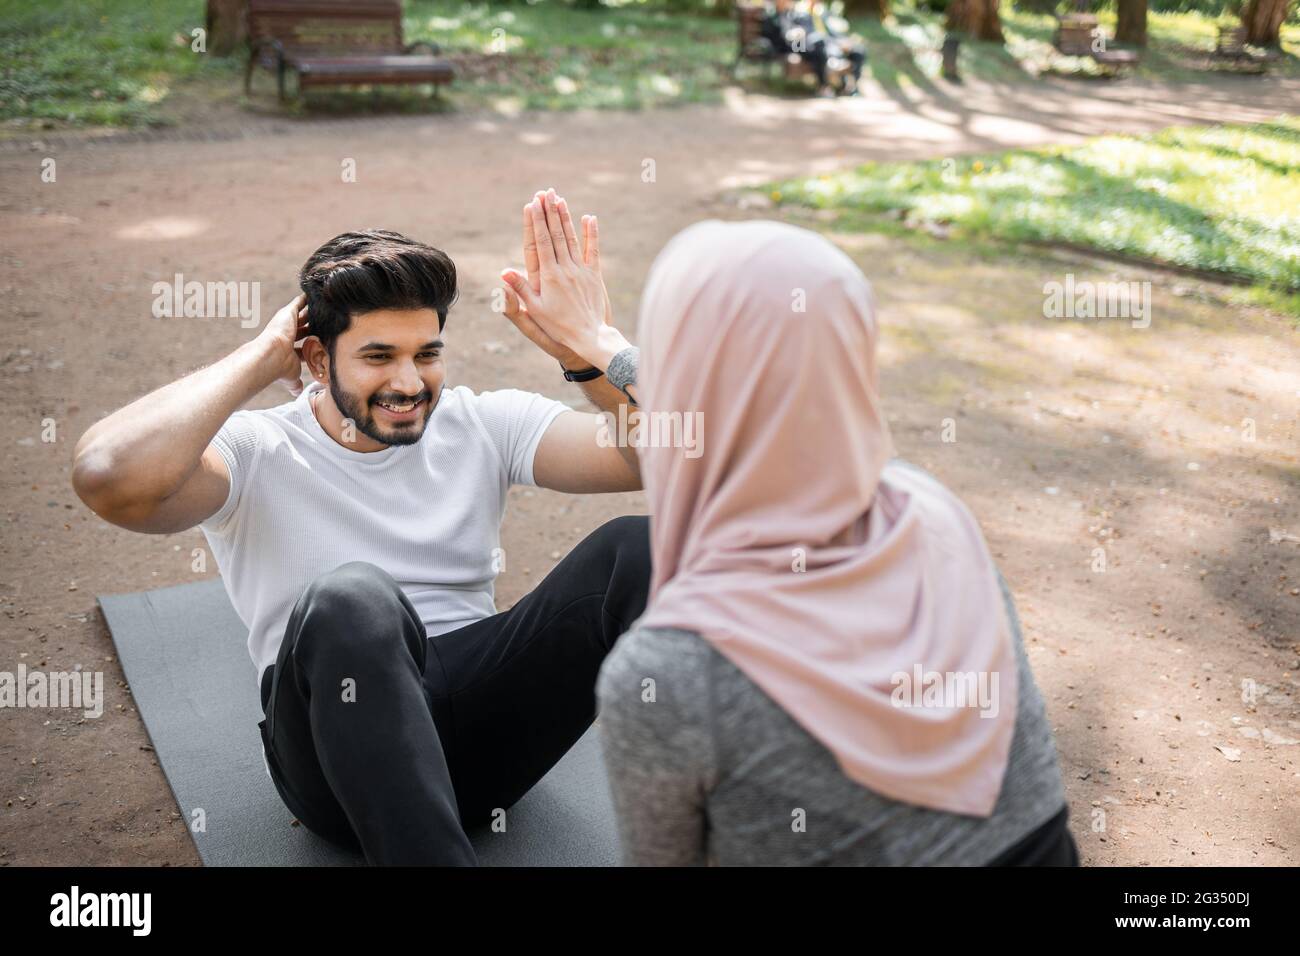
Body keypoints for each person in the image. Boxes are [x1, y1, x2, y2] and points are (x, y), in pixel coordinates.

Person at [71, 189, 650, 866]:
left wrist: (595, 350)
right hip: (334, 762)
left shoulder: (483, 423)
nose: (409, 382)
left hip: (482, 738)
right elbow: (108, 476)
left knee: (639, 550)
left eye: (426, 354)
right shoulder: (255, 449)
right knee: (353, 598)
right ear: (317, 360)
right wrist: (262, 355)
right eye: (378, 357)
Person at [522, 218, 1077, 866]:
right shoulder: (933, 511)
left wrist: (600, 347)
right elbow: (751, 419)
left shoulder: (676, 668)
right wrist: (599, 344)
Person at [762, 0, 867, 97]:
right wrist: (794, 35)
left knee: (857, 49)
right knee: (819, 45)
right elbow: (786, 35)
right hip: (799, 45)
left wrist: (841, 41)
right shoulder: (778, 15)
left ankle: (850, 86)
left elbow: (829, 31)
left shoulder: (816, 12)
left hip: (819, 43)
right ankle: (828, 81)